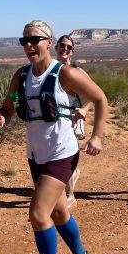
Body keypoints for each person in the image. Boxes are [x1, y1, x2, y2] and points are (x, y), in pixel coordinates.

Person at [0, 20, 108, 254]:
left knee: (38, 213)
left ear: (49, 42)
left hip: (62, 152)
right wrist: (1, 117)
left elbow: (101, 99)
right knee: (58, 213)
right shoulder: (21, 75)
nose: (29, 46)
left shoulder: (64, 74)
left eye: (34, 40)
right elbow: (8, 105)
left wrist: (97, 136)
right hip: (36, 154)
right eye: (24, 41)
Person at [56, 34, 87, 207]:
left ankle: (70, 196)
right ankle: (71, 177)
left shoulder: (77, 71)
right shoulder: (50, 70)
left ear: (72, 52)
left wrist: (85, 109)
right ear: (56, 48)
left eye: (68, 47)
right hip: (55, 118)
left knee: (67, 155)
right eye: (62, 45)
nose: (65, 49)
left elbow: (96, 96)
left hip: (73, 116)